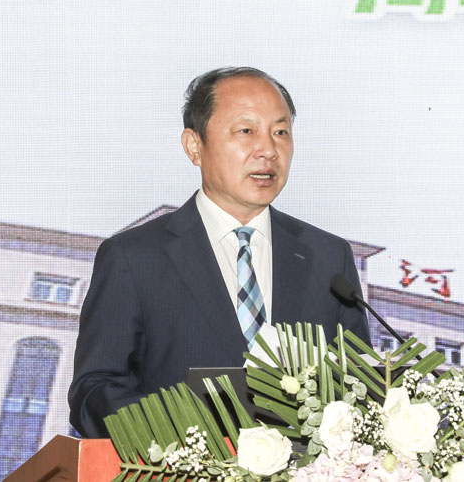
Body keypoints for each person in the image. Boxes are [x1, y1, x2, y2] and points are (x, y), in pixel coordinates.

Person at [68, 67, 371, 438]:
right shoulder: (134, 257)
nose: (268, 150)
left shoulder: (328, 258)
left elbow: (361, 385)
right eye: (246, 131)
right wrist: (187, 435)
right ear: (194, 146)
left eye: (280, 132)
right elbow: (94, 391)